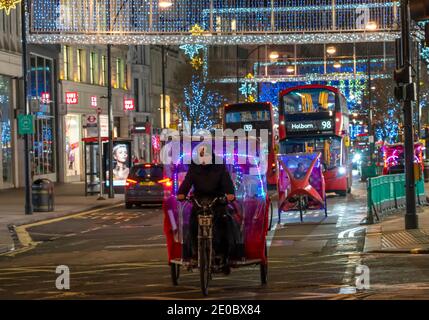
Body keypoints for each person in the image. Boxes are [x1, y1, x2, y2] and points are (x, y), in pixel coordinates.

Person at [177, 146, 236, 271]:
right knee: (192, 223)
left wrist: (230, 193)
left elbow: (226, 180)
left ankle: (223, 253)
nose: (203, 163)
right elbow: (188, 180)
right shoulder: (194, 166)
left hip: (217, 200)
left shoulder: (219, 165)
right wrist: (182, 193)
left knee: (224, 222)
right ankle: (195, 252)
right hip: (199, 200)